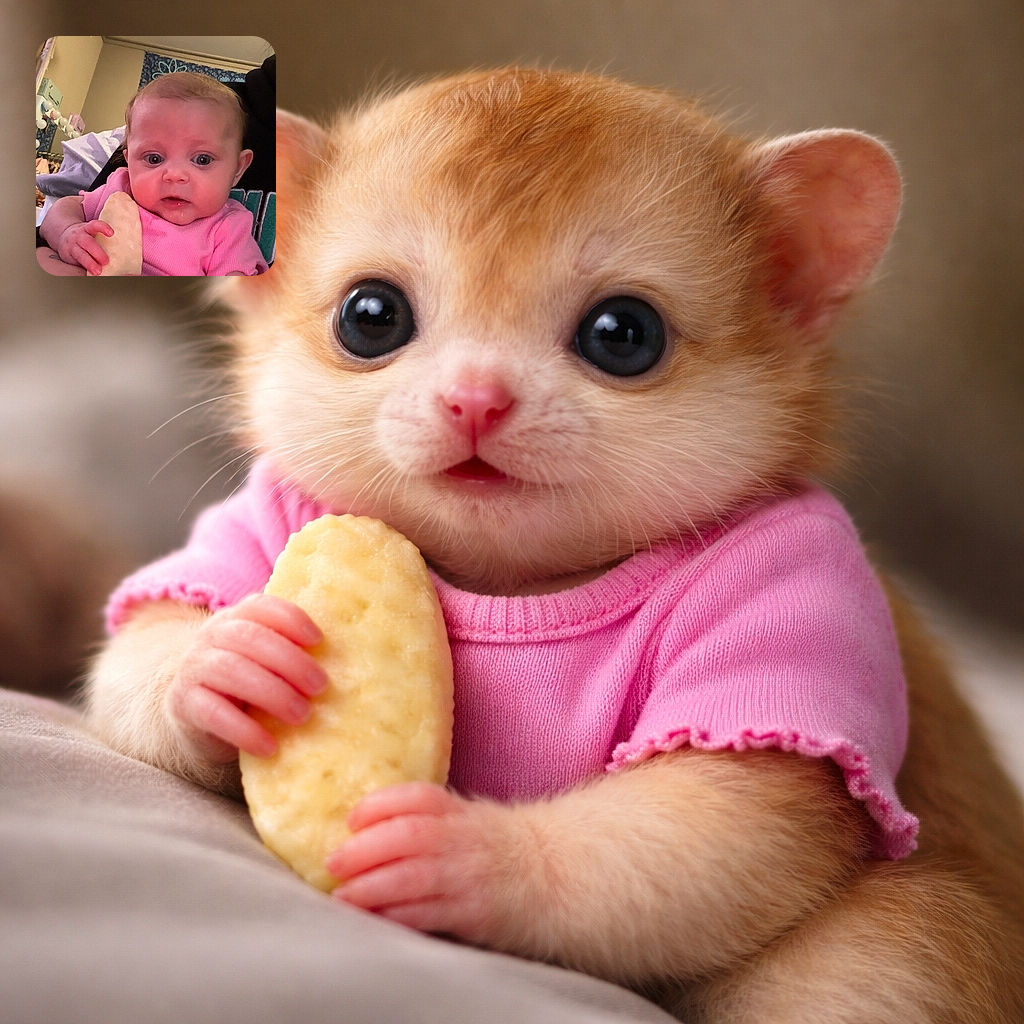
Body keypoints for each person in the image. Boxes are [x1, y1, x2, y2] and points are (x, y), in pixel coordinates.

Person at [38, 71, 268, 276]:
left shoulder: (229, 228)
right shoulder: (121, 187)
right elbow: (63, 209)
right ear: (129, 162)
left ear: (238, 168)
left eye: (202, 159)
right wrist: (68, 232)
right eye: (154, 159)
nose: (175, 175)